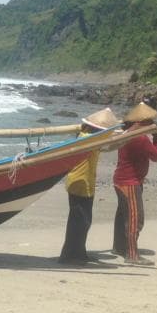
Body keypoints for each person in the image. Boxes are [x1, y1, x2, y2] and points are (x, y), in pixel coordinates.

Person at [59, 108, 119, 264]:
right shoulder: (87, 138)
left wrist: (126, 138)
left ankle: (78, 251)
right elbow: (109, 142)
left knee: (83, 220)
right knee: (80, 220)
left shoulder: (91, 138)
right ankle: (70, 255)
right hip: (80, 182)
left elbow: (109, 146)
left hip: (85, 182)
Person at [112, 102, 157, 265]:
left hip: (121, 179)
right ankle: (132, 254)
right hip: (129, 182)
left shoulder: (129, 132)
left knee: (123, 216)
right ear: (145, 121)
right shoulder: (140, 137)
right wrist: (156, 136)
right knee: (135, 218)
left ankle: (119, 247)